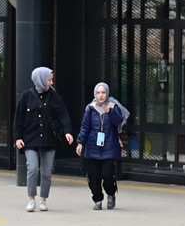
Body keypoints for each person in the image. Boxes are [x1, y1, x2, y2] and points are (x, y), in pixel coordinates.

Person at [12, 66, 73, 212]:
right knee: (32, 167)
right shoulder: (26, 96)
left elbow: (63, 115)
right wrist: (17, 137)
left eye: (52, 80)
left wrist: (68, 132)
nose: (51, 83)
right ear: (40, 80)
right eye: (49, 80)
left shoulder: (55, 97)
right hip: (30, 139)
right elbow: (18, 119)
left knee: (46, 172)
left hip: (49, 138)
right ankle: (31, 199)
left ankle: (43, 200)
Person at [74, 82, 128, 211]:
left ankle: (111, 193)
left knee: (108, 175)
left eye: (103, 92)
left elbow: (118, 121)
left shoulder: (113, 107)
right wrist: (80, 142)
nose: (101, 95)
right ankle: (97, 199)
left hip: (110, 148)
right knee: (93, 176)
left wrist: (110, 112)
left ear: (107, 93)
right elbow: (85, 127)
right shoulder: (90, 108)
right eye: (98, 93)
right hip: (93, 148)